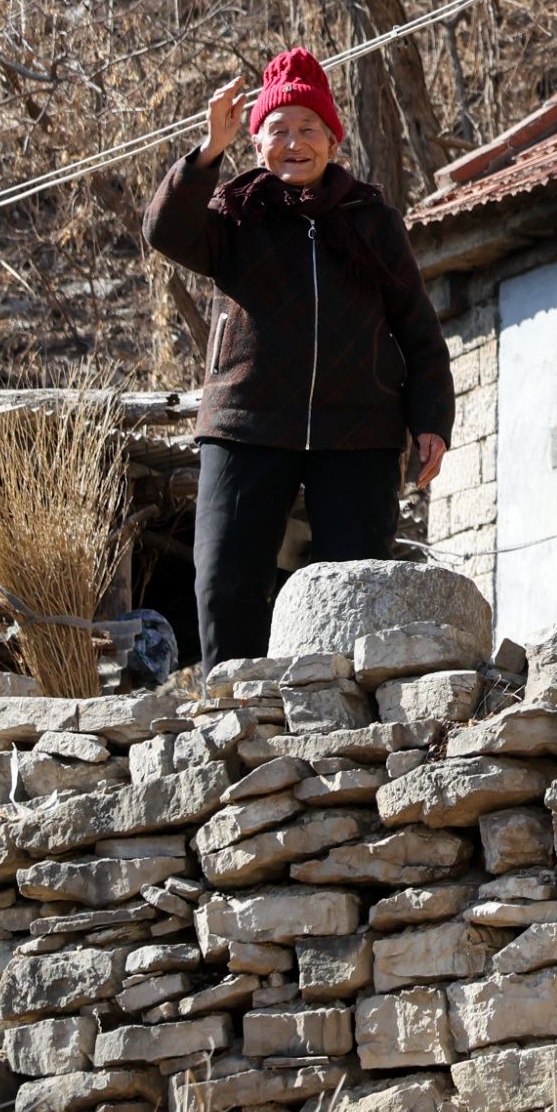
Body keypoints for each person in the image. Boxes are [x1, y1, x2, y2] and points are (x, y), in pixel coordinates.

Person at [144, 46, 452, 666]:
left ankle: (344, 707)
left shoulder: (371, 221)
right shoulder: (235, 213)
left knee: (355, 588)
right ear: (257, 143)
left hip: (358, 429)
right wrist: (207, 153)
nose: (294, 143)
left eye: (309, 128)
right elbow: (164, 232)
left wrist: (431, 421)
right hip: (246, 421)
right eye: (278, 129)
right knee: (225, 578)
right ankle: (234, 703)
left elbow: (418, 330)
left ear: (333, 141)